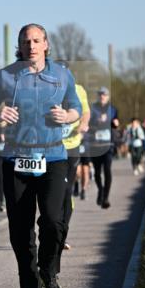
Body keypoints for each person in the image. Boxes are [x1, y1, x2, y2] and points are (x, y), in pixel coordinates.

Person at [0, 24, 81, 288]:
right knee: (20, 229)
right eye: (26, 41)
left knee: (53, 221)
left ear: (46, 44)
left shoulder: (62, 75)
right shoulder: (5, 77)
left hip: (54, 157)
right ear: (20, 46)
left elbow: (76, 109)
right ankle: (29, 284)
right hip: (16, 159)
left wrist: (67, 116)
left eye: (36, 40)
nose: (31, 46)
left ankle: (49, 273)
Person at [58, 77, 90, 260]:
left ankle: (62, 235)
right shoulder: (48, 87)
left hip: (71, 145)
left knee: (66, 191)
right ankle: (51, 231)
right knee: (51, 192)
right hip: (50, 146)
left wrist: (84, 124)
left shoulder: (79, 89)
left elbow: (85, 112)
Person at [88, 87, 119, 208]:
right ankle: (100, 190)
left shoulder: (113, 109)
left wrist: (115, 124)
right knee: (96, 172)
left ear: (108, 96)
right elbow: (88, 124)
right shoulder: (92, 108)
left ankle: (106, 198)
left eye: (105, 95)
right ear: (98, 96)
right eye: (100, 94)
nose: (102, 96)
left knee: (107, 170)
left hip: (108, 145)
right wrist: (97, 122)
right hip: (95, 144)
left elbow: (115, 125)